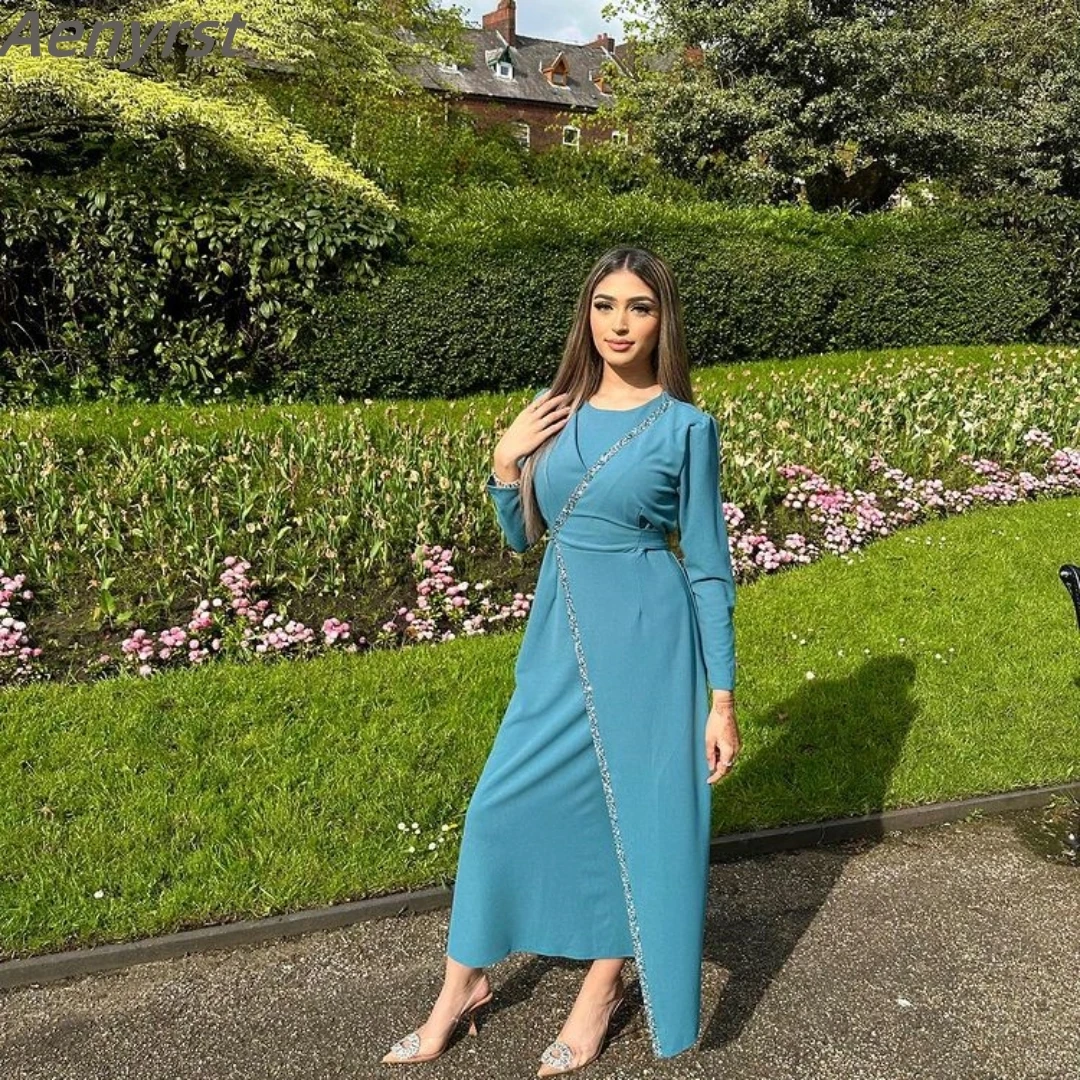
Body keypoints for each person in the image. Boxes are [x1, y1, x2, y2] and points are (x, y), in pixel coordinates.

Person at [381, 246, 741, 1073]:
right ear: (587, 314)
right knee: (497, 809)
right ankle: (459, 991)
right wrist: (505, 465)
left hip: (654, 645)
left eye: (640, 308)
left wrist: (720, 700)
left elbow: (711, 565)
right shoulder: (553, 409)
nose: (620, 324)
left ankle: (602, 989)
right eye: (606, 305)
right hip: (559, 639)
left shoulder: (687, 427)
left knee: (633, 823)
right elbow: (524, 538)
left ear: (663, 320)